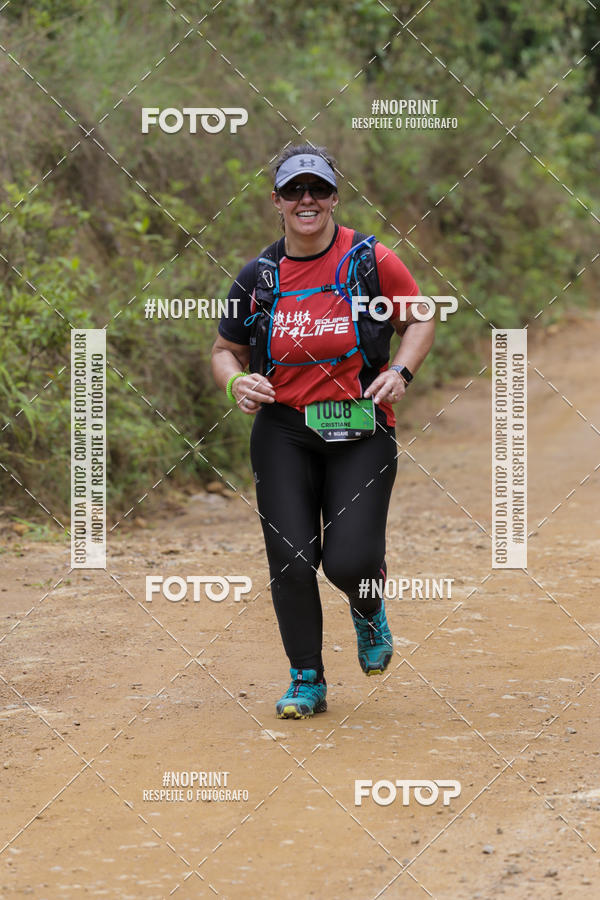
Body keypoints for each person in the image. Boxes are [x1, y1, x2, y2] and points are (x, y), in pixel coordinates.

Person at [211, 143, 434, 719]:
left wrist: (399, 371)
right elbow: (224, 351)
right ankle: (306, 679)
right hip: (284, 430)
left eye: (317, 189)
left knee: (349, 561)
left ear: (335, 196)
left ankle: (368, 608)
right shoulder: (259, 276)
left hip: (360, 425)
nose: (306, 200)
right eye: (293, 191)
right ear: (277, 201)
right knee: (291, 558)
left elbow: (420, 316)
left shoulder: (368, 258)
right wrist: (236, 383)